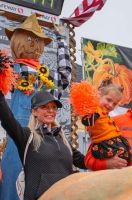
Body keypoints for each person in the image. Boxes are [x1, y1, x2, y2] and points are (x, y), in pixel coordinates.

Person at [1, 14, 70, 200]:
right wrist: (61, 40)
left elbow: (65, 75)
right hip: (29, 142)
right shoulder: (12, 70)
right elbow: (65, 75)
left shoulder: (16, 70)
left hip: (34, 143)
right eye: (30, 39)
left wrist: (62, 39)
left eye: (36, 41)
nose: (33, 45)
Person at [0, 90, 86, 200]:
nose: (50, 111)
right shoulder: (27, 136)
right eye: (45, 107)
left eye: (54, 107)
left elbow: (85, 161)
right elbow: (8, 120)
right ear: (34, 111)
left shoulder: (62, 140)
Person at [70, 80, 132, 165]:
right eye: (108, 100)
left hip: (114, 142)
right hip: (105, 144)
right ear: (99, 95)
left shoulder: (104, 113)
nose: (110, 105)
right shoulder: (95, 110)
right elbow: (87, 121)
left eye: (114, 104)